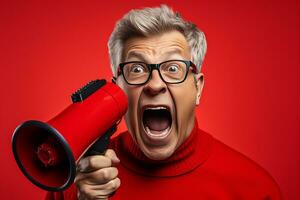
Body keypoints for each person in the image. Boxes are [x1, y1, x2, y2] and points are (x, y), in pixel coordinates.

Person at [46, 5, 282, 200]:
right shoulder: (76, 183)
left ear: (197, 88)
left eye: (172, 68)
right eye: (137, 69)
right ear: (117, 89)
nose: (155, 84)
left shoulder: (254, 189)